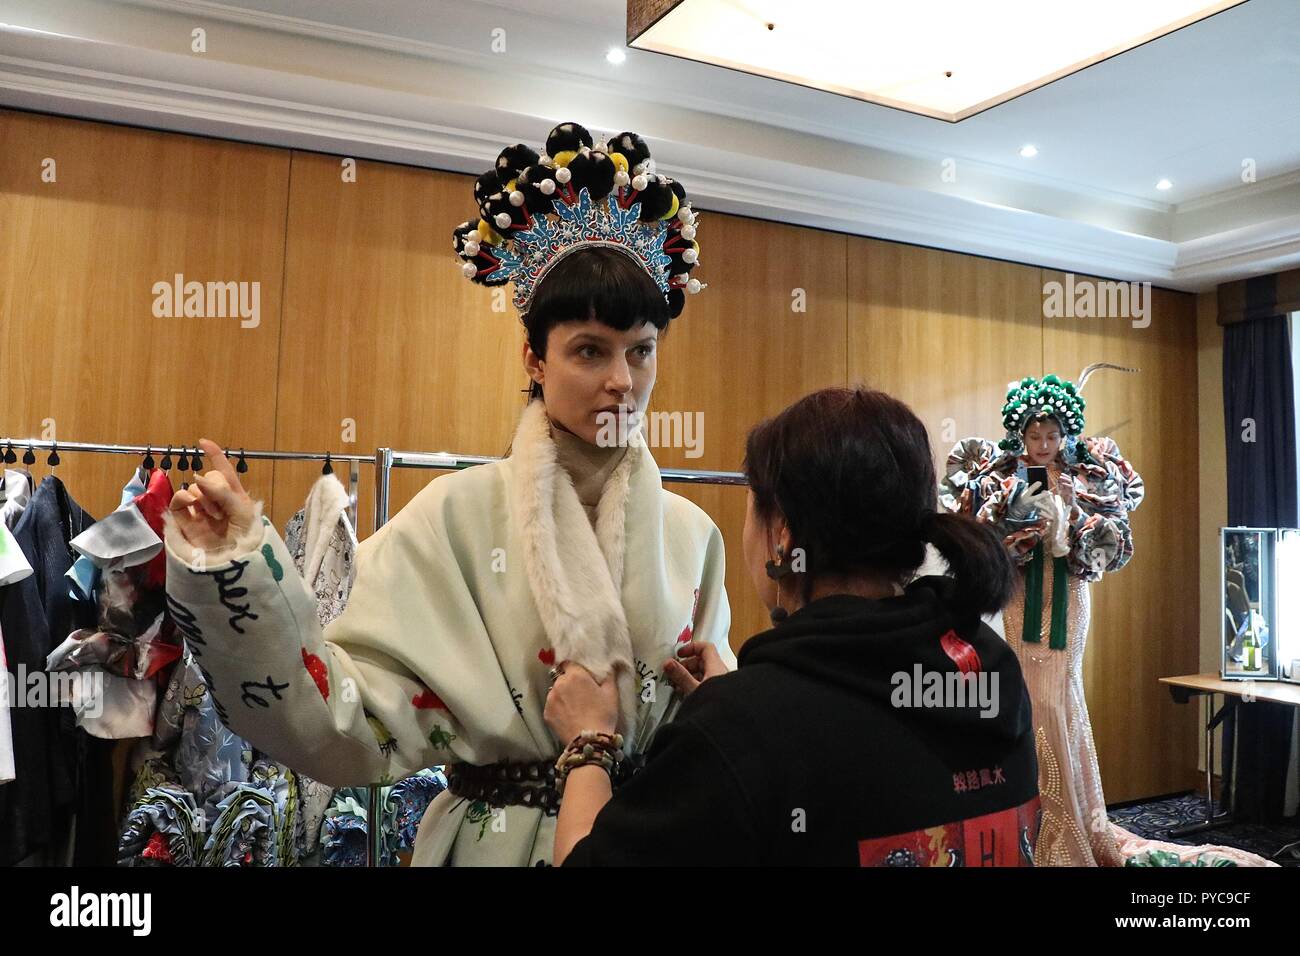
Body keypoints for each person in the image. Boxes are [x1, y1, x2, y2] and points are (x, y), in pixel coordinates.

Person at [161, 121, 734, 866]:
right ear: (533, 354)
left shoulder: (693, 536)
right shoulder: (453, 518)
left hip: (655, 839)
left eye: (642, 351)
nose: (622, 380)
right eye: (590, 350)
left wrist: (716, 703)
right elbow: (340, 718)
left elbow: (713, 712)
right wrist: (239, 561)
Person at [544, 387, 1041, 866]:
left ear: (781, 532)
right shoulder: (990, 669)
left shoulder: (741, 728)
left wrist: (589, 743)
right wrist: (739, 716)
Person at [940, 368, 1272, 867]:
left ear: (1066, 433)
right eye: (1034, 436)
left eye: (1052, 435)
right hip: (1018, 594)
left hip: (1069, 591)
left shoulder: (1088, 474)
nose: (1044, 444)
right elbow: (982, 537)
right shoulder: (1001, 477)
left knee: (1060, 688)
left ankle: (1070, 815)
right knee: (1028, 686)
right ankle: (1035, 811)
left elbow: (1109, 543)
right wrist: (1019, 518)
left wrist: (1070, 519)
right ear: (1019, 434)